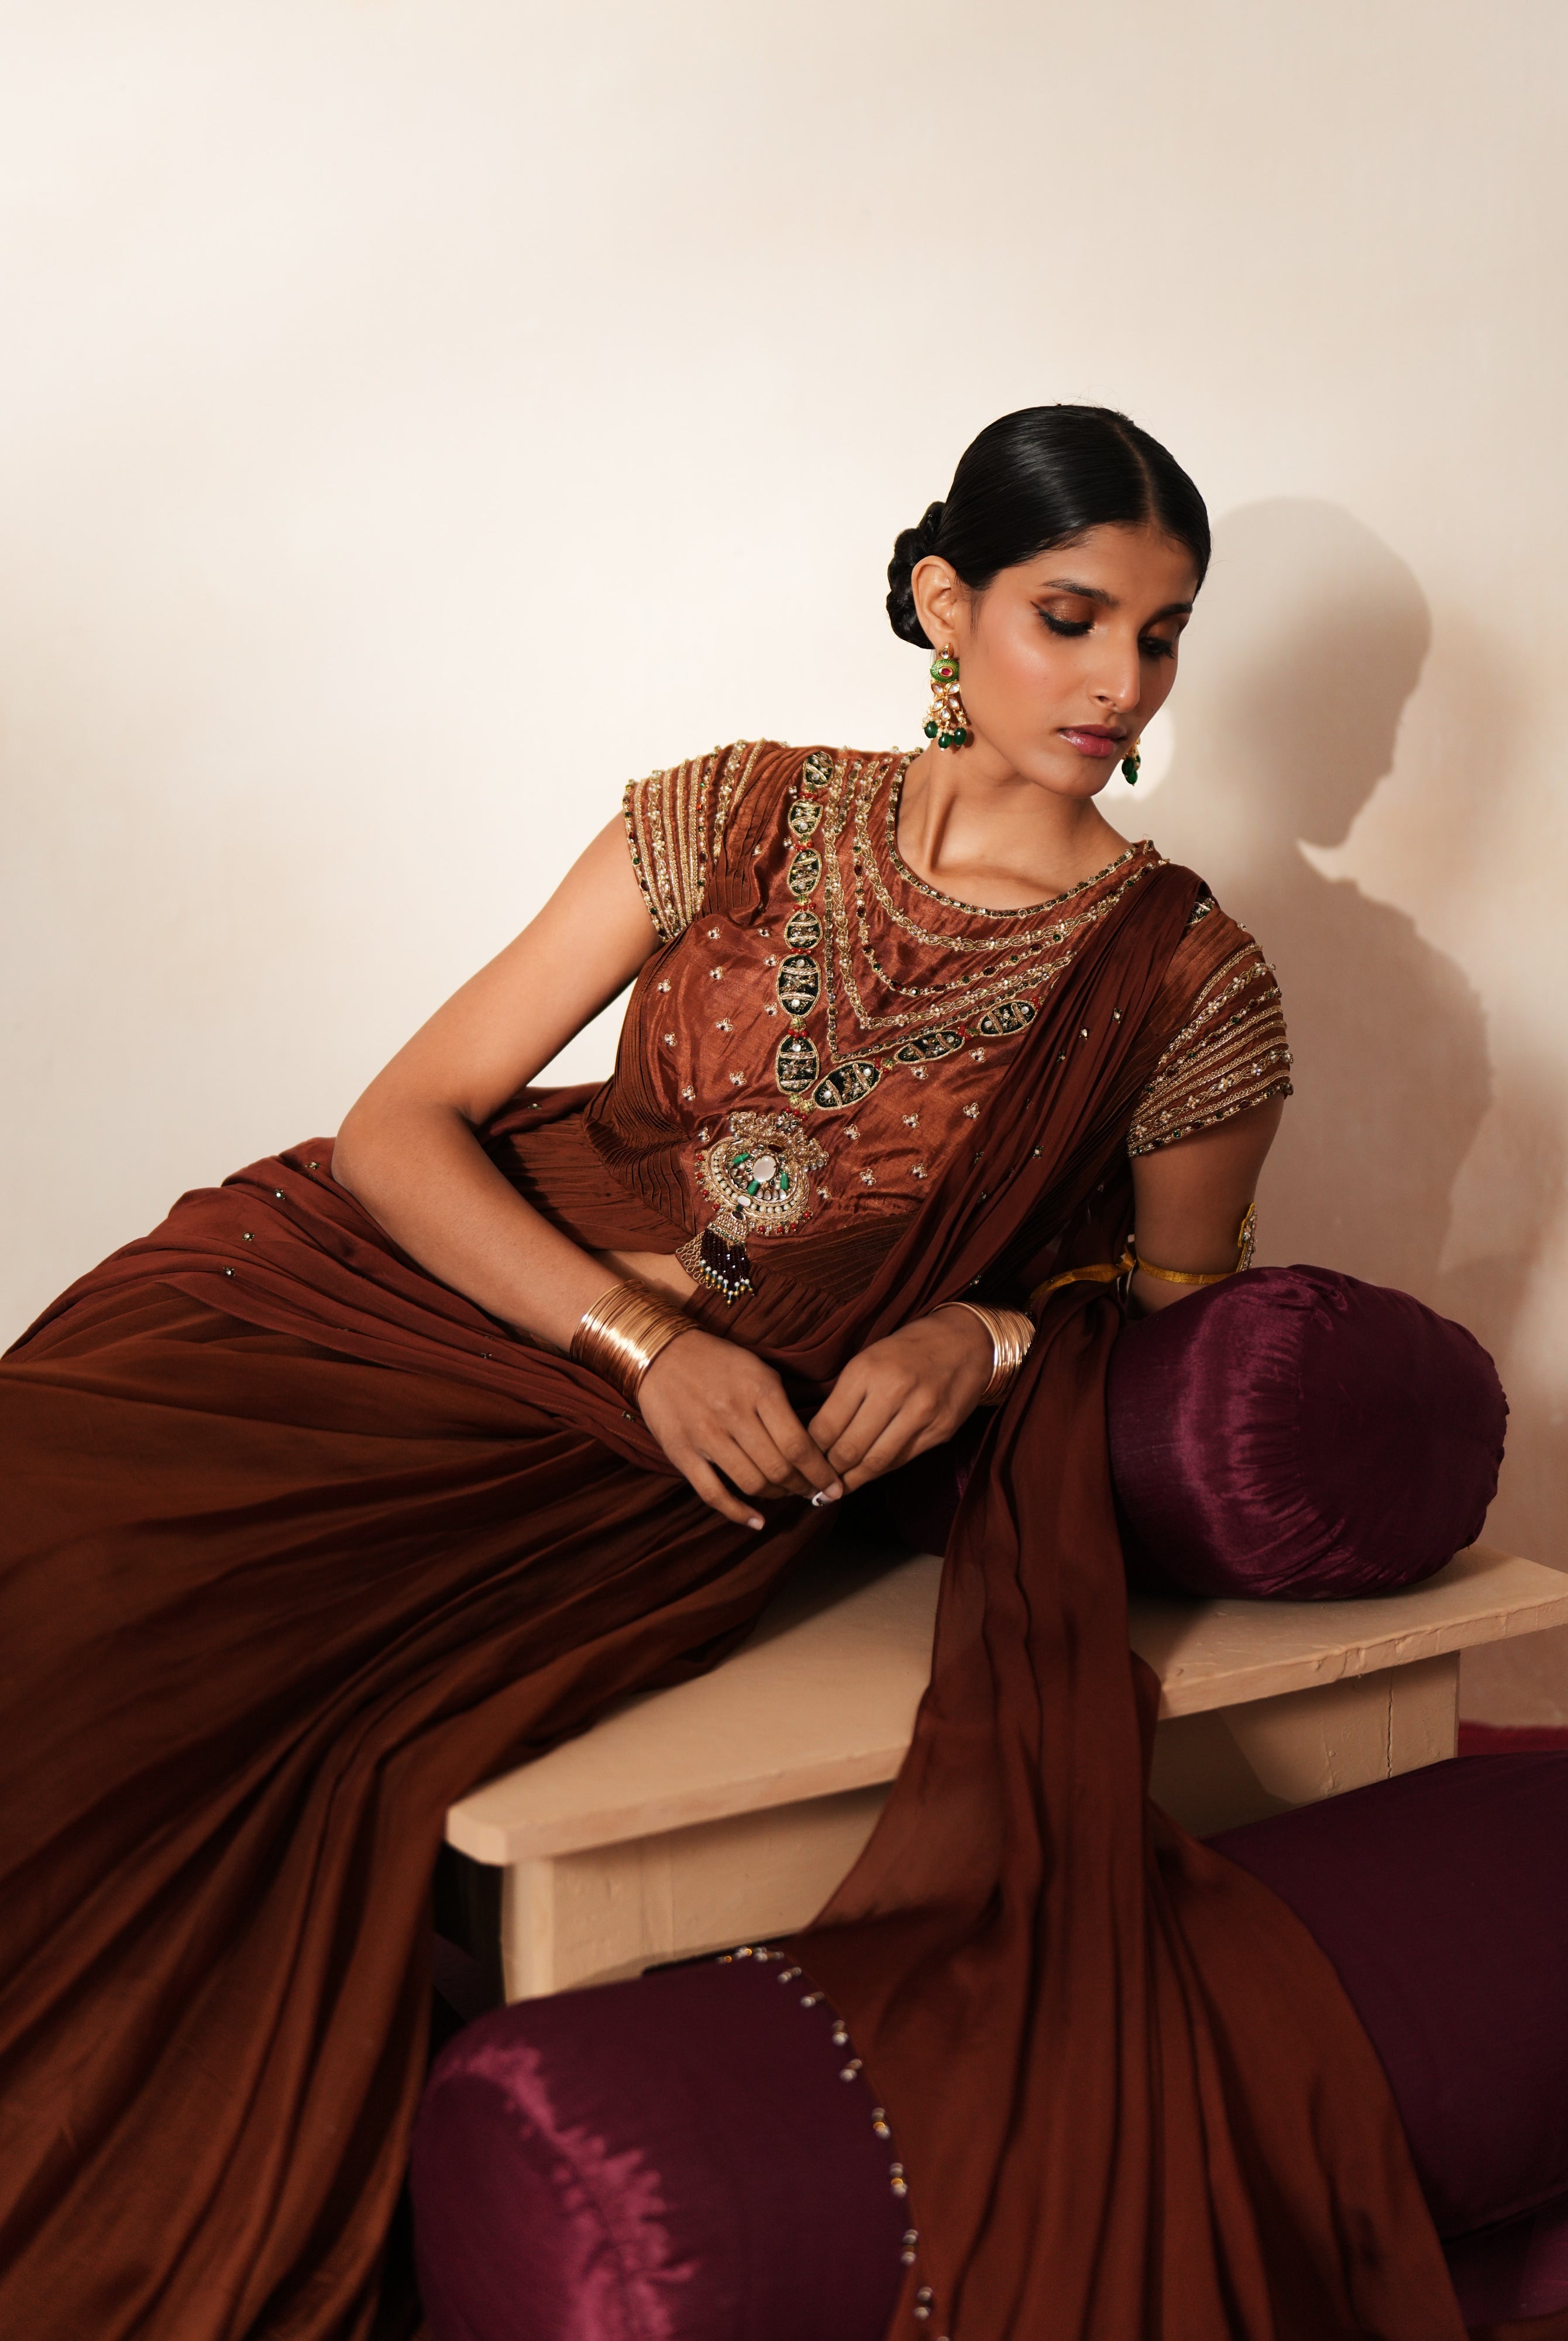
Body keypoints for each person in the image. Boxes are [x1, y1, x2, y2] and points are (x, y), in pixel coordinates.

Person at [0, 407, 1474, 2341]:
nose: (1125, 682)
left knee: (133, 1683)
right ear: (946, 605)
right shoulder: (736, 809)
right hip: (383, 1305)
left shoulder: (1188, 987)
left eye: (1166, 633)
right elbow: (404, 1123)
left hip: (610, 1481)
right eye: (1072, 616)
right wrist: (645, 1335)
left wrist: (992, 1327)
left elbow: (1185, 1306)